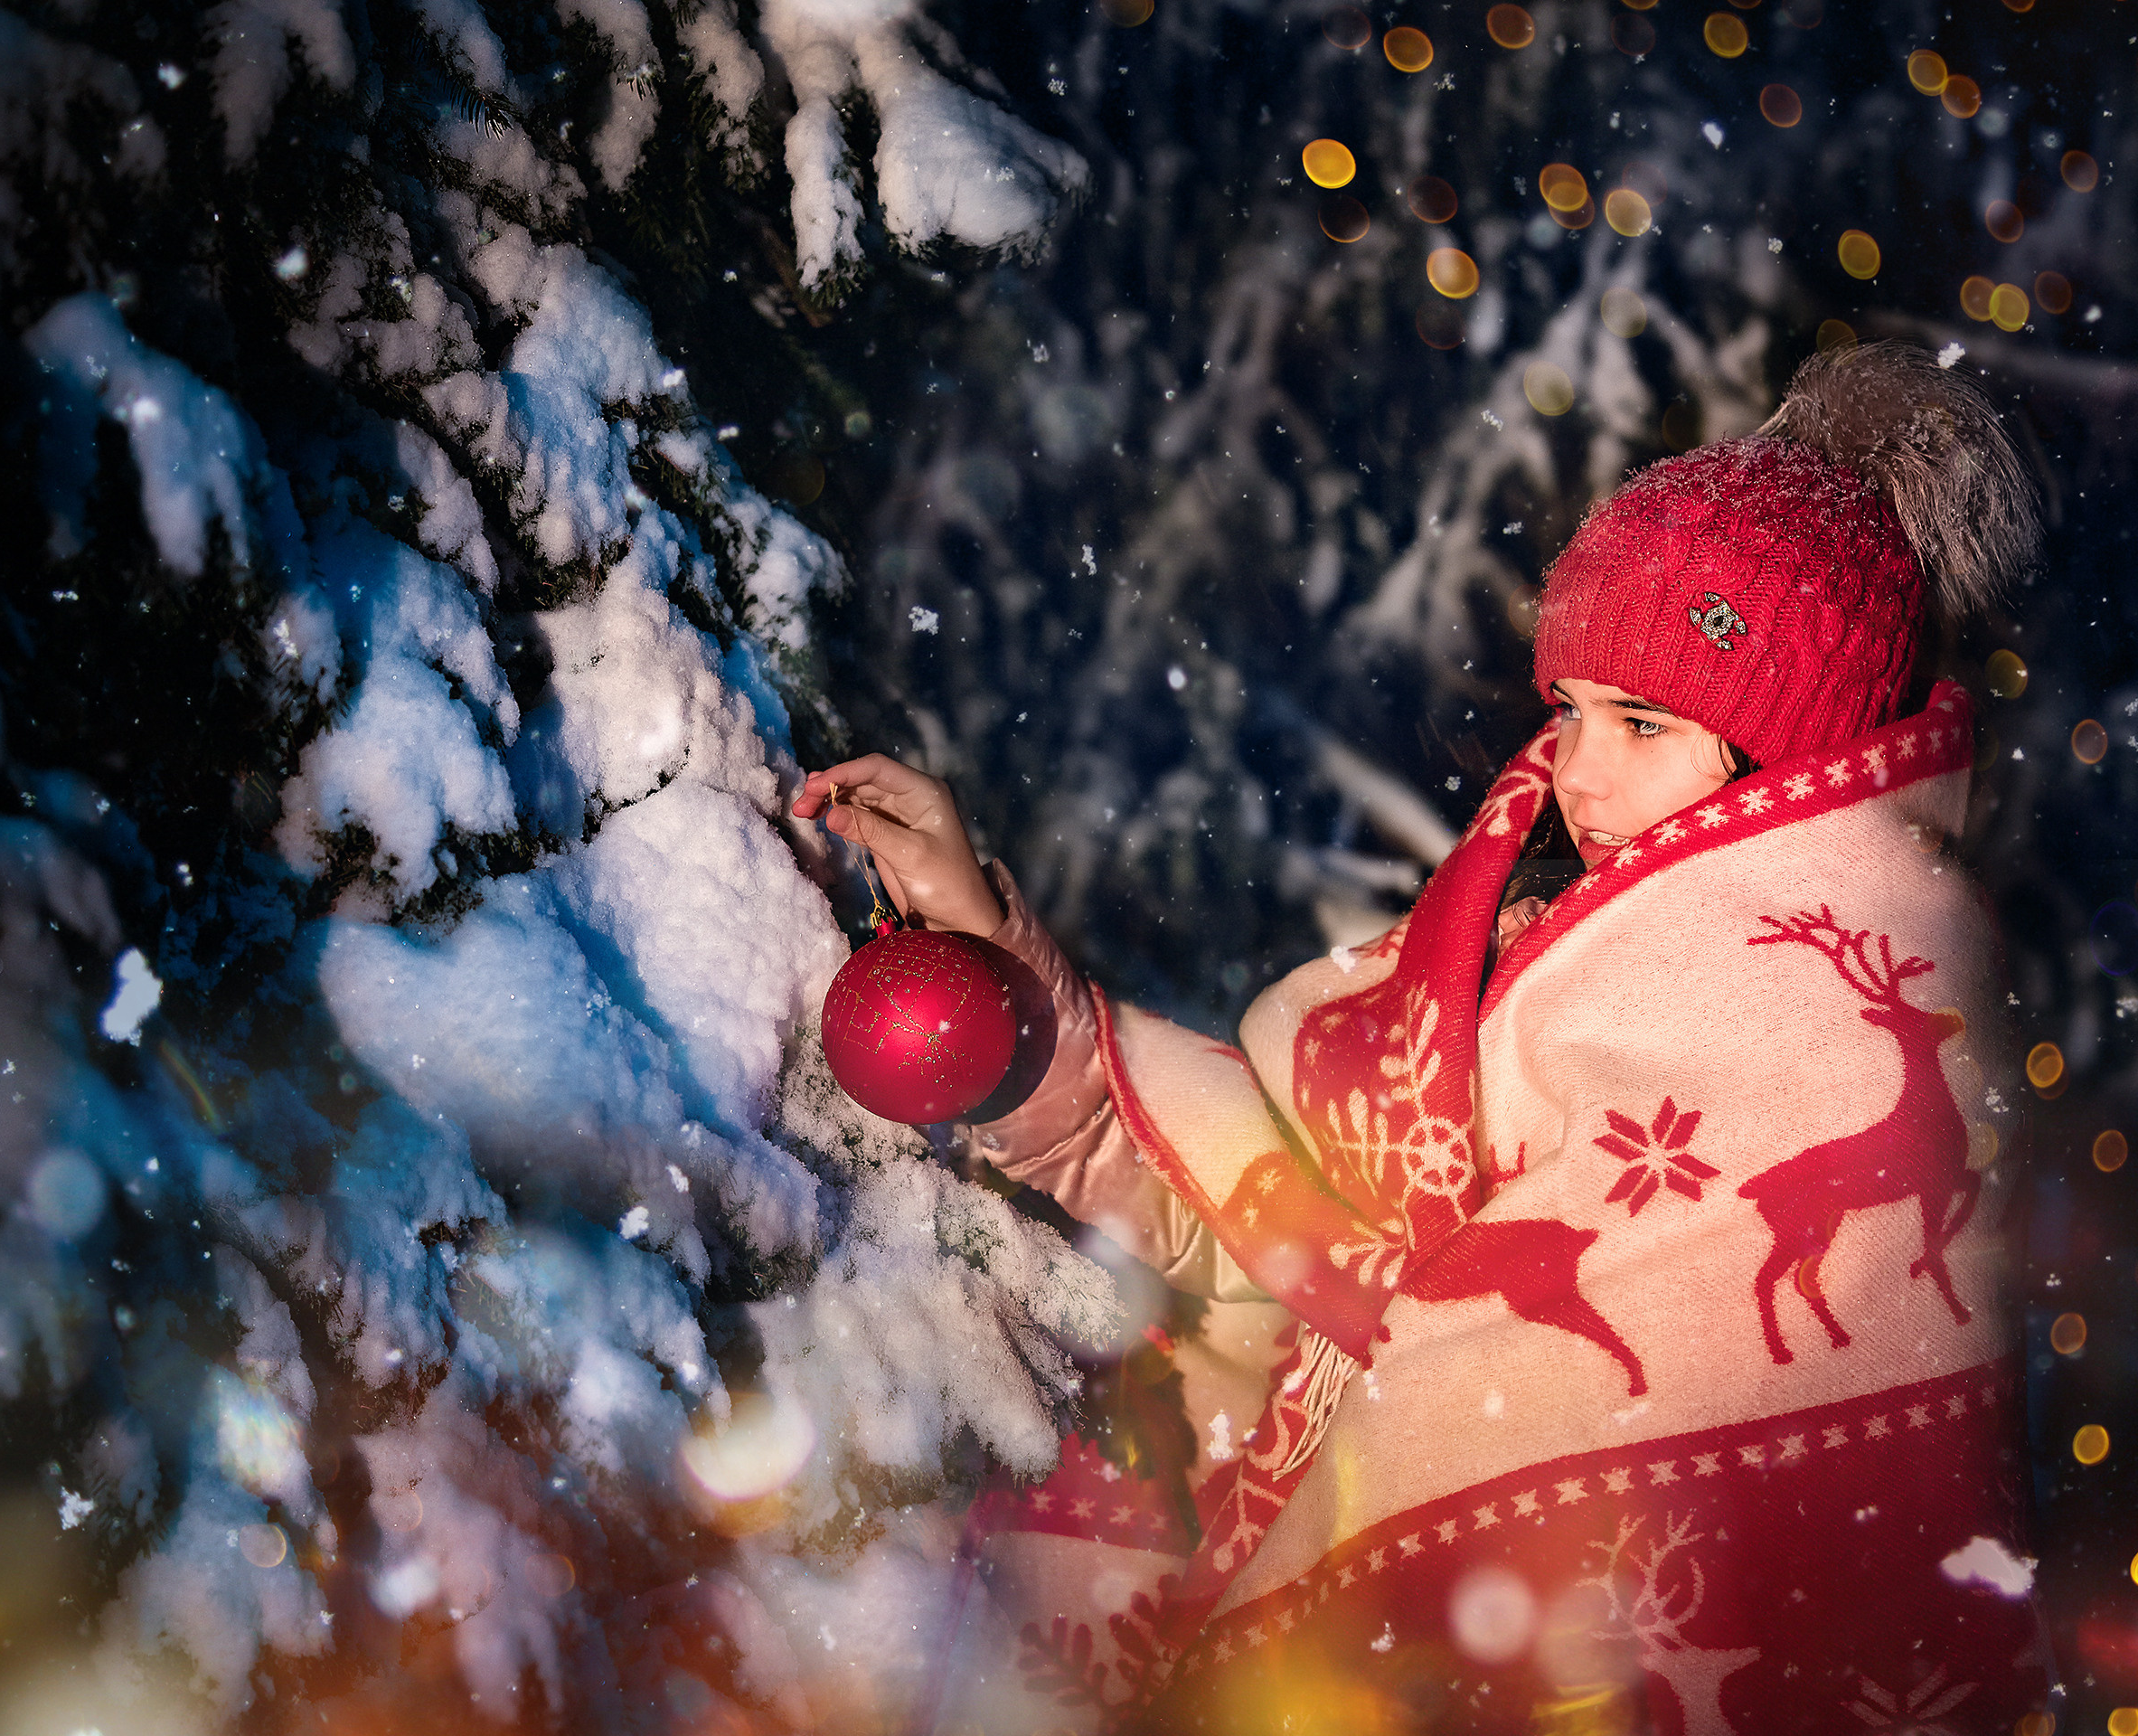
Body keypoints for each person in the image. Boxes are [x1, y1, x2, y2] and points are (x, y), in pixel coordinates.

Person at [795, 343, 2053, 1733]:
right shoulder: (1530, 938)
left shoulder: (1809, 1021)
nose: (1575, 772)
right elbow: (1308, 1261)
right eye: (1569, 710)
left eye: (1643, 721)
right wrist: (1007, 987)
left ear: (1787, 764)